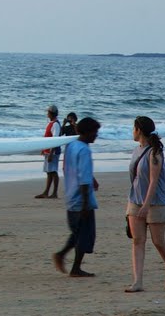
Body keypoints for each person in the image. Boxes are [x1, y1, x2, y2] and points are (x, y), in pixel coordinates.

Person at [125, 116, 165, 292]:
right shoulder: (135, 150)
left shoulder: (154, 152)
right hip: (135, 200)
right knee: (137, 240)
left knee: (158, 241)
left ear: (139, 130)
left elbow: (154, 181)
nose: (132, 132)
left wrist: (146, 204)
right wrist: (135, 202)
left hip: (156, 202)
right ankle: (137, 281)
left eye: (133, 128)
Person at [52, 117, 100, 278]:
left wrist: (91, 179)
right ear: (87, 132)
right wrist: (86, 203)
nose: (96, 135)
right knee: (84, 235)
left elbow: (70, 168)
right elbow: (84, 180)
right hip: (81, 198)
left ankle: (61, 255)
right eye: (94, 132)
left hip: (70, 194)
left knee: (77, 232)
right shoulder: (84, 149)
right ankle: (75, 268)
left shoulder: (72, 146)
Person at [36, 105, 62, 199]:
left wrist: (51, 153)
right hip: (49, 151)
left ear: (51, 113)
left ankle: (54, 193)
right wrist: (44, 149)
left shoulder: (55, 124)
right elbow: (47, 137)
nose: (47, 114)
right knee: (49, 171)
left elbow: (55, 140)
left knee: (53, 171)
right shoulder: (51, 123)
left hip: (53, 152)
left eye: (48, 112)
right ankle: (46, 192)